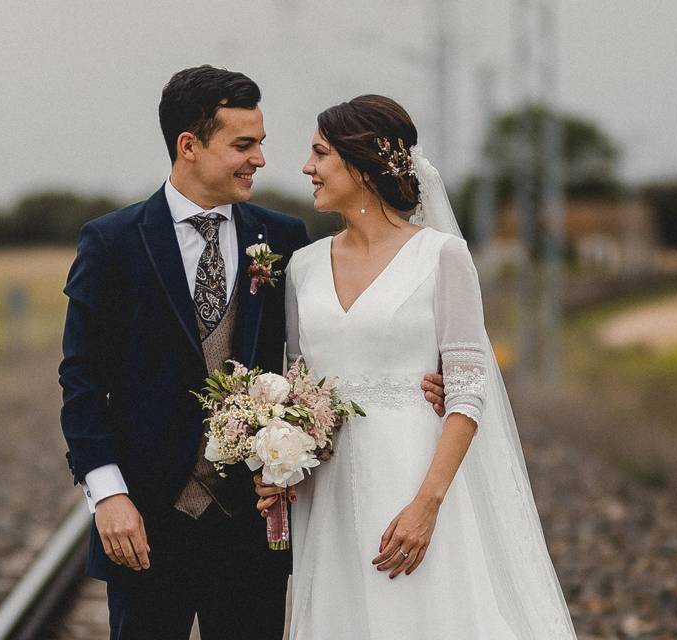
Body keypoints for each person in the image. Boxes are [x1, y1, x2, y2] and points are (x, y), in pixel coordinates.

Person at [59, 68, 447, 640]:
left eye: (260, 142)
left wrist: (425, 376)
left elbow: (329, 342)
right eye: (244, 145)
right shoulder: (112, 242)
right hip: (144, 522)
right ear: (189, 146)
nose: (260, 159)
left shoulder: (285, 238)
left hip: (254, 522)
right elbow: (82, 380)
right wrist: (109, 494)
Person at [256, 95, 577, 639]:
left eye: (320, 154)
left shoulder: (441, 256)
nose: (307, 168)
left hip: (413, 474)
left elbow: (468, 389)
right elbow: (295, 386)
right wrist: (276, 462)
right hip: (327, 489)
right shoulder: (304, 268)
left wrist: (427, 504)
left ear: (363, 162)